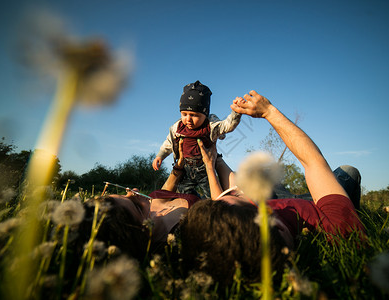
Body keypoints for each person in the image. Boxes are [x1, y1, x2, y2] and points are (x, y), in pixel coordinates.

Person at [178, 90, 366, 286]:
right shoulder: (338, 230)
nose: (228, 196)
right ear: (264, 216)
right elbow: (313, 163)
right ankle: (350, 206)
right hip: (313, 205)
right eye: (236, 199)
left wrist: (213, 162)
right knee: (348, 172)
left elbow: (222, 200)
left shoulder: (235, 226)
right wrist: (268, 111)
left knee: (265, 178)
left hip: (275, 196)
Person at [152, 80, 241, 198]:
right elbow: (168, 143)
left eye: (194, 115)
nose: (188, 119)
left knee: (213, 195)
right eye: (184, 114)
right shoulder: (177, 128)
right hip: (185, 168)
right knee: (183, 195)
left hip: (204, 168)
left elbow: (227, 126)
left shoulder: (210, 125)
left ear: (205, 114)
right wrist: (160, 155)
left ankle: (207, 203)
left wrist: (236, 112)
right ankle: (196, 199)